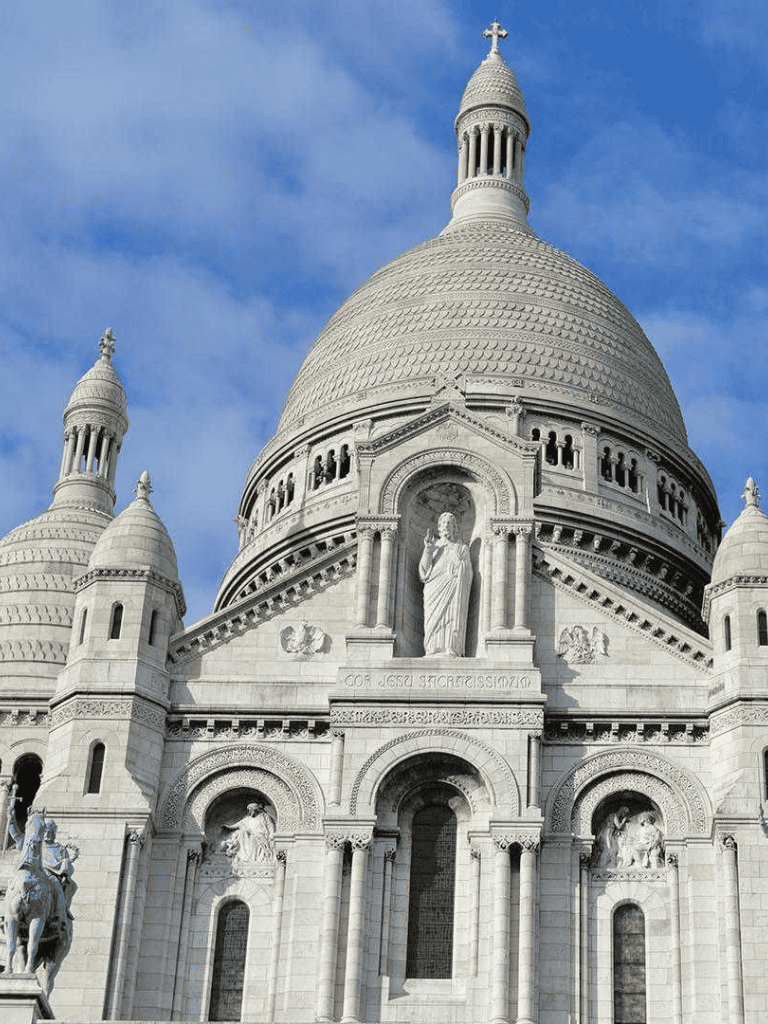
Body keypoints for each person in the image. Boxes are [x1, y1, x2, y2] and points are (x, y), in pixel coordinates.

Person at [419, 511, 473, 657]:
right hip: (434, 588)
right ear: (439, 527)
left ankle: (451, 647)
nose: (447, 525)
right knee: (432, 620)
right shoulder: (433, 546)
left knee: (452, 616)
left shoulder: (461, 548)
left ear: (455, 527)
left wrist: (459, 567)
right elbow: (423, 572)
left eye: (450, 523)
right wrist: (428, 550)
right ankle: (432, 648)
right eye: (444, 522)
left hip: (454, 588)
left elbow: (468, 574)